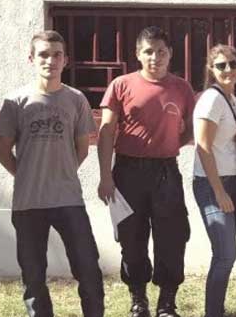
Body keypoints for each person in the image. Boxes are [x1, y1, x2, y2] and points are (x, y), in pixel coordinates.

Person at [0, 30, 104, 317]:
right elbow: (2, 152)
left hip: (69, 200)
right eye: (44, 54)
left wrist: (60, 172)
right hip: (28, 204)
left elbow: (81, 150)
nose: (50, 60)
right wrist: (29, 174)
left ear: (65, 60)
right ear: (31, 59)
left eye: (57, 54)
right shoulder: (14, 101)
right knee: (33, 278)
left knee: (89, 270)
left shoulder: (76, 99)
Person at [97, 26, 195, 317]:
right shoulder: (121, 85)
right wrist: (105, 176)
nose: (155, 57)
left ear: (170, 54)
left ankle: (167, 302)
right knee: (132, 237)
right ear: (138, 54)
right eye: (148, 51)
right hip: (127, 172)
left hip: (166, 172)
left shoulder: (182, 87)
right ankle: (138, 298)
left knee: (173, 237)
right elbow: (106, 132)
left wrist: (165, 146)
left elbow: (191, 128)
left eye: (161, 51)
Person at [193, 44, 236, 317]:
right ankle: (212, 312)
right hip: (214, 184)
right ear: (211, 69)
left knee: (225, 254)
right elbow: (203, 147)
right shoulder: (211, 99)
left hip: (235, 181)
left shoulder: (232, 98)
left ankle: (217, 309)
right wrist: (219, 191)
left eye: (233, 64)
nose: (228, 69)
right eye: (221, 65)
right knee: (225, 255)